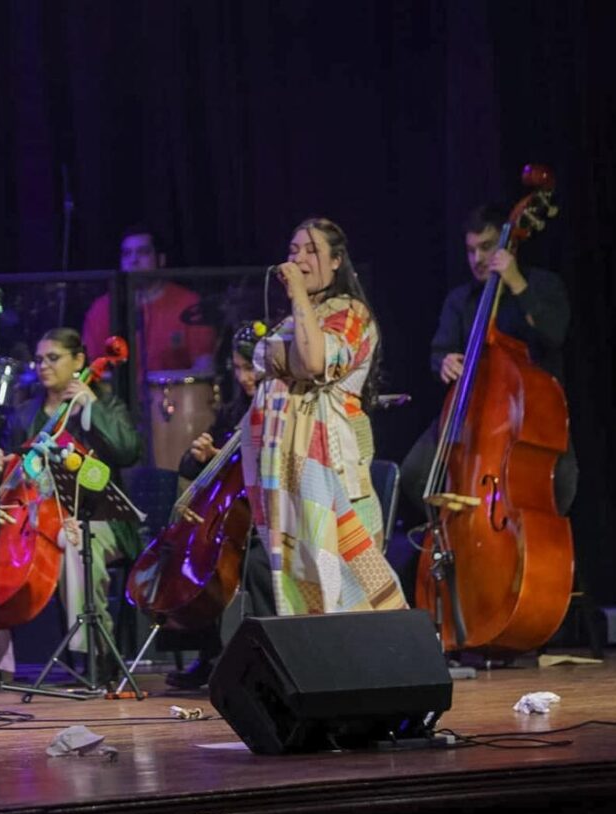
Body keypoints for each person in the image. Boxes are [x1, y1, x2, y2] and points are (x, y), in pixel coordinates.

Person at [0, 327, 144, 682]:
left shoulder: (106, 403)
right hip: (34, 517)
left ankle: (92, 658)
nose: (43, 366)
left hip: (99, 520)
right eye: (39, 359)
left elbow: (129, 451)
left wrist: (92, 406)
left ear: (79, 361)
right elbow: (13, 475)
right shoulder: (26, 413)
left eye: (53, 358)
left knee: (74, 546)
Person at [240, 218, 406, 615]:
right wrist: (289, 354)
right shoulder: (293, 321)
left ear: (336, 261)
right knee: (301, 585)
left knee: (353, 590)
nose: (298, 259)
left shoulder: (351, 313)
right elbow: (275, 359)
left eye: (311, 250)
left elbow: (313, 361)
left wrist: (296, 295)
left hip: (336, 470)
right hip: (289, 477)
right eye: (294, 250)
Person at [399, 204, 576, 519]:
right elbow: (439, 352)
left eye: (486, 247)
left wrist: (516, 282)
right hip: (473, 415)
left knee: (558, 485)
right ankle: (449, 539)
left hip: (531, 421)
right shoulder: (460, 300)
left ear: (508, 246)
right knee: (414, 471)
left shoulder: (542, 284)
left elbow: (554, 334)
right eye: (470, 251)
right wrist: (445, 362)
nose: (477, 259)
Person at [165, 322, 275, 689]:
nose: (246, 378)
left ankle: (250, 660)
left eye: (252, 368)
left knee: (239, 562)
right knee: (199, 555)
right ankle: (210, 655)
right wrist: (205, 456)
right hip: (236, 518)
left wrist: (230, 459)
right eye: (239, 369)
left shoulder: (279, 409)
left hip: (271, 516)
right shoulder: (234, 411)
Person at [82, 225, 216, 374]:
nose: (133, 260)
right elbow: (90, 368)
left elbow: (205, 366)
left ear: (161, 259)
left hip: (173, 395)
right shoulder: (102, 308)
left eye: (143, 253)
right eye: (127, 254)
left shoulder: (188, 303)